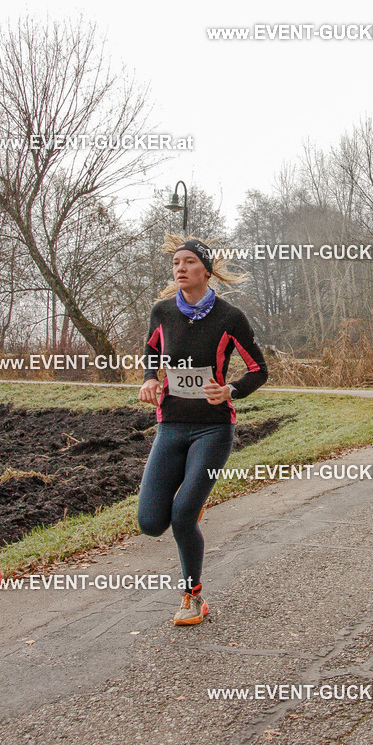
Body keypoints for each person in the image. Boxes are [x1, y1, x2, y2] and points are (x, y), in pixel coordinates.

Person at [137, 235, 268, 626]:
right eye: (176, 262)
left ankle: (193, 597)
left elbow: (259, 369)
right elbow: (152, 352)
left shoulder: (230, 318)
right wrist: (148, 378)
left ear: (206, 271)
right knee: (149, 522)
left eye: (189, 262)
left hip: (213, 429)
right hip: (171, 426)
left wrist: (230, 389)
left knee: (181, 516)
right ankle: (191, 505)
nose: (180, 268)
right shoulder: (162, 312)